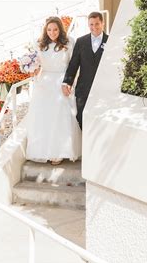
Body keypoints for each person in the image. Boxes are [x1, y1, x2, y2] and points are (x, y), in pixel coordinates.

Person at [26, 17, 81, 164]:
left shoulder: (69, 42)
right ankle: (44, 150)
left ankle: (60, 151)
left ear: (60, 29)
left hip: (62, 81)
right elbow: (37, 65)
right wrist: (33, 70)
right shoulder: (39, 44)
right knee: (44, 117)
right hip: (44, 83)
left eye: (55, 29)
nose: (52, 32)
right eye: (49, 29)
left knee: (61, 116)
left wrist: (69, 82)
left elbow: (73, 65)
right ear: (45, 30)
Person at [62, 12, 108, 129]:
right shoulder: (81, 41)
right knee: (81, 119)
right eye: (91, 24)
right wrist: (67, 82)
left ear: (102, 23)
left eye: (97, 24)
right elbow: (74, 64)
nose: (94, 27)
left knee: (101, 121)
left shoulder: (110, 41)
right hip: (83, 89)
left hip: (103, 89)